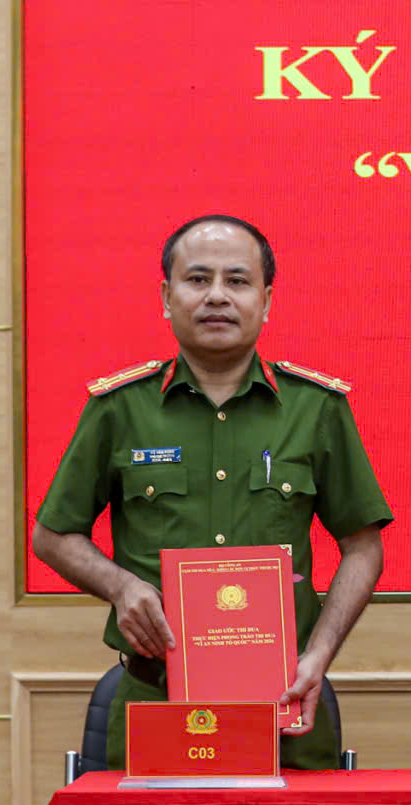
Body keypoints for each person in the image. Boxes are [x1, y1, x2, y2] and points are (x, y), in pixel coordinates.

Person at [33, 215, 391, 769]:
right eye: (198, 279)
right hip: (154, 701)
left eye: (237, 281)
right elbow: (53, 535)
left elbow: (363, 547)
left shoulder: (316, 408)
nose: (217, 296)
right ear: (166, 297)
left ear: (266, 301)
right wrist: (121, 587)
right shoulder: (118, 408)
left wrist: (319, 654)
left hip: (284, 702)